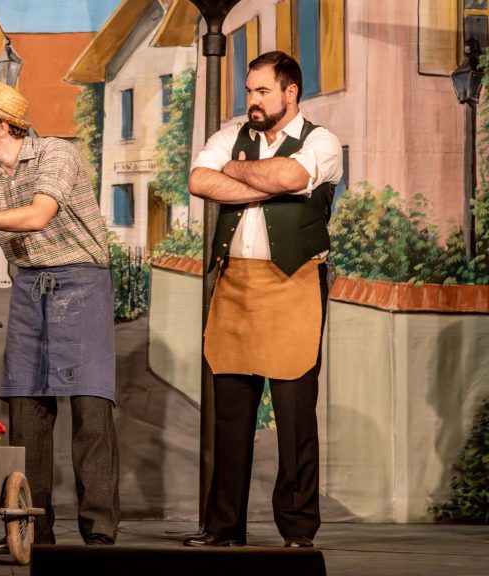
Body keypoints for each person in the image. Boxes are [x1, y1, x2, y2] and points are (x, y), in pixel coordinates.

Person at [0, 79, 120, 549]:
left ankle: (99, 531)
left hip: (81, 281)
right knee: (26, 411)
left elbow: (37, 215)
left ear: (1, 124)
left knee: (90, 410)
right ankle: (33, 529)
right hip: (31, 286)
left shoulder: (55, 154)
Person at [183, 51, 343, 548]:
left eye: (262, 91)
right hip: (235, 286)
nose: (251, 100)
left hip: (293, 284)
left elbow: (293, 177)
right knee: (230, 416)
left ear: (290, 92)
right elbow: (199, 180)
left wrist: (236, 172)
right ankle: (223, 527)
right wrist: (262, 179)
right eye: (249, 91)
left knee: (295, 417)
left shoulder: (321, 141)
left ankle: (298, 529)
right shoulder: (229, 135)